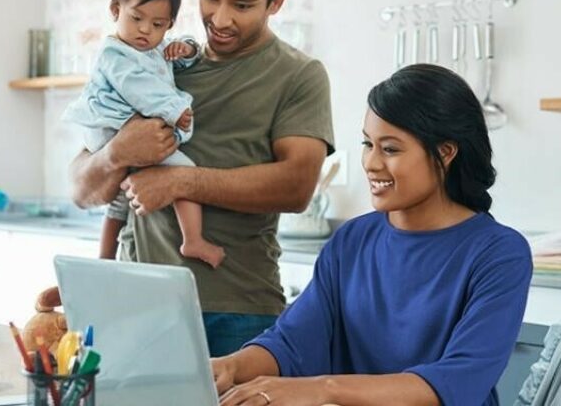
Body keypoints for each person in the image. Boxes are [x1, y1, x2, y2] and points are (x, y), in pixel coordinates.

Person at [69, 0, 334, 357]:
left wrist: (180, 183)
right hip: (138, 302)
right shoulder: (156, 62)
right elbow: (82, 189)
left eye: (243, 4)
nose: (221, 18)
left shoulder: (298, 75)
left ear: (277, 1)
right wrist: (119, 151)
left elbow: (297, 186)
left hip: (239, 311)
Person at [211, 64, 533, 406]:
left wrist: (324, 389)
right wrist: (230, 366)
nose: (371, 163)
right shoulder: (352, 240)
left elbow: (458, 380)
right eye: (368, 144)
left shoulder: (499, 253)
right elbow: (292, 341)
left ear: (445, 152)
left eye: (391, 149)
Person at [63, 0, 226, 268]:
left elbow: (180, 56)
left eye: (157, 24)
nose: (145, 30)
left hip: (115, 127)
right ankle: (194, 240)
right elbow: (139, 89)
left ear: (169, 25)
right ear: (116, 10)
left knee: (121, 195)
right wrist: (174, 110)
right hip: (109, 128)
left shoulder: (154, 47)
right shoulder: (116, 52)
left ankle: (104, 259)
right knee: (185, 170)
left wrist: (185, 48)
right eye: (136, 19)